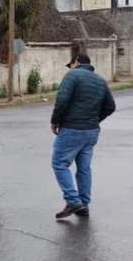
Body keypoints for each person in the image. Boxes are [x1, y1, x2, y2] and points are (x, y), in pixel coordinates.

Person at [49, 53, 116, 219]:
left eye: (70, 64)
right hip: (91, 131)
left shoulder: (72, 75)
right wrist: (94, 119)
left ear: (76, 62)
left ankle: (73, 201)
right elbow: (110, 106)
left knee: (59, 163)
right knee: (84, 168)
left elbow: (62, 100)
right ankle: (83, 203)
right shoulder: (100, 80)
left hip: (72, 129)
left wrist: (55, 121)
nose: (69, 67)